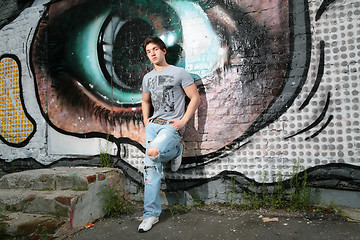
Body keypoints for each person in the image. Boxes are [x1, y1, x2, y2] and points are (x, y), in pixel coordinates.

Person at [138, 37, 200, 233]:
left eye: (155, 49)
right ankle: (151, 215)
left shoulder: (179, 73)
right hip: (153, 126)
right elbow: (146, 101)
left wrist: (183, 121)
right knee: (151, 169)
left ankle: (175, 150)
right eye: (149, 51)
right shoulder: (147, 78)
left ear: (164, 50)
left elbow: (195, 98)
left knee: (152, 153)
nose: (152, 53)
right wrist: (146, 119)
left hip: (171, 126)